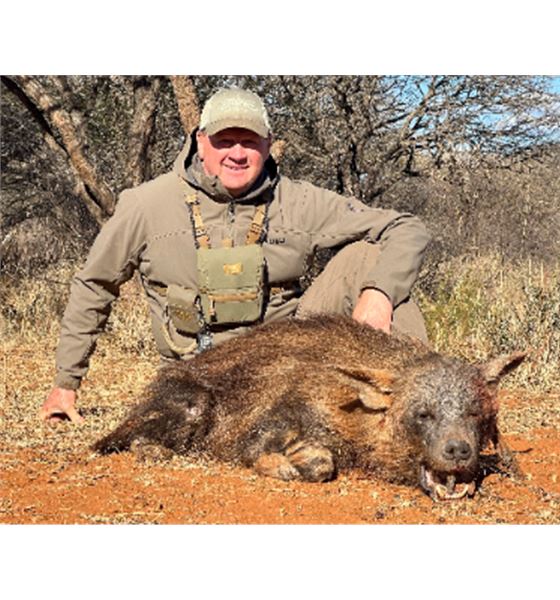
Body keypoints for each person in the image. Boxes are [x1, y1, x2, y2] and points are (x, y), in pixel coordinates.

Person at [40, 87, 431, 423]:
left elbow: (406, 227)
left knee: (366, 257)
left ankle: (423, 407)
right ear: (200, 141)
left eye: (250, 142)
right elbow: (94, 286)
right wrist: (65, 384)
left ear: (269, 144)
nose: (238, 154)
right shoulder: (145, 204)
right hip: (196, 374)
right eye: (225, 141)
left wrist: (378, 295)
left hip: (288, 360)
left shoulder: (300, 201)